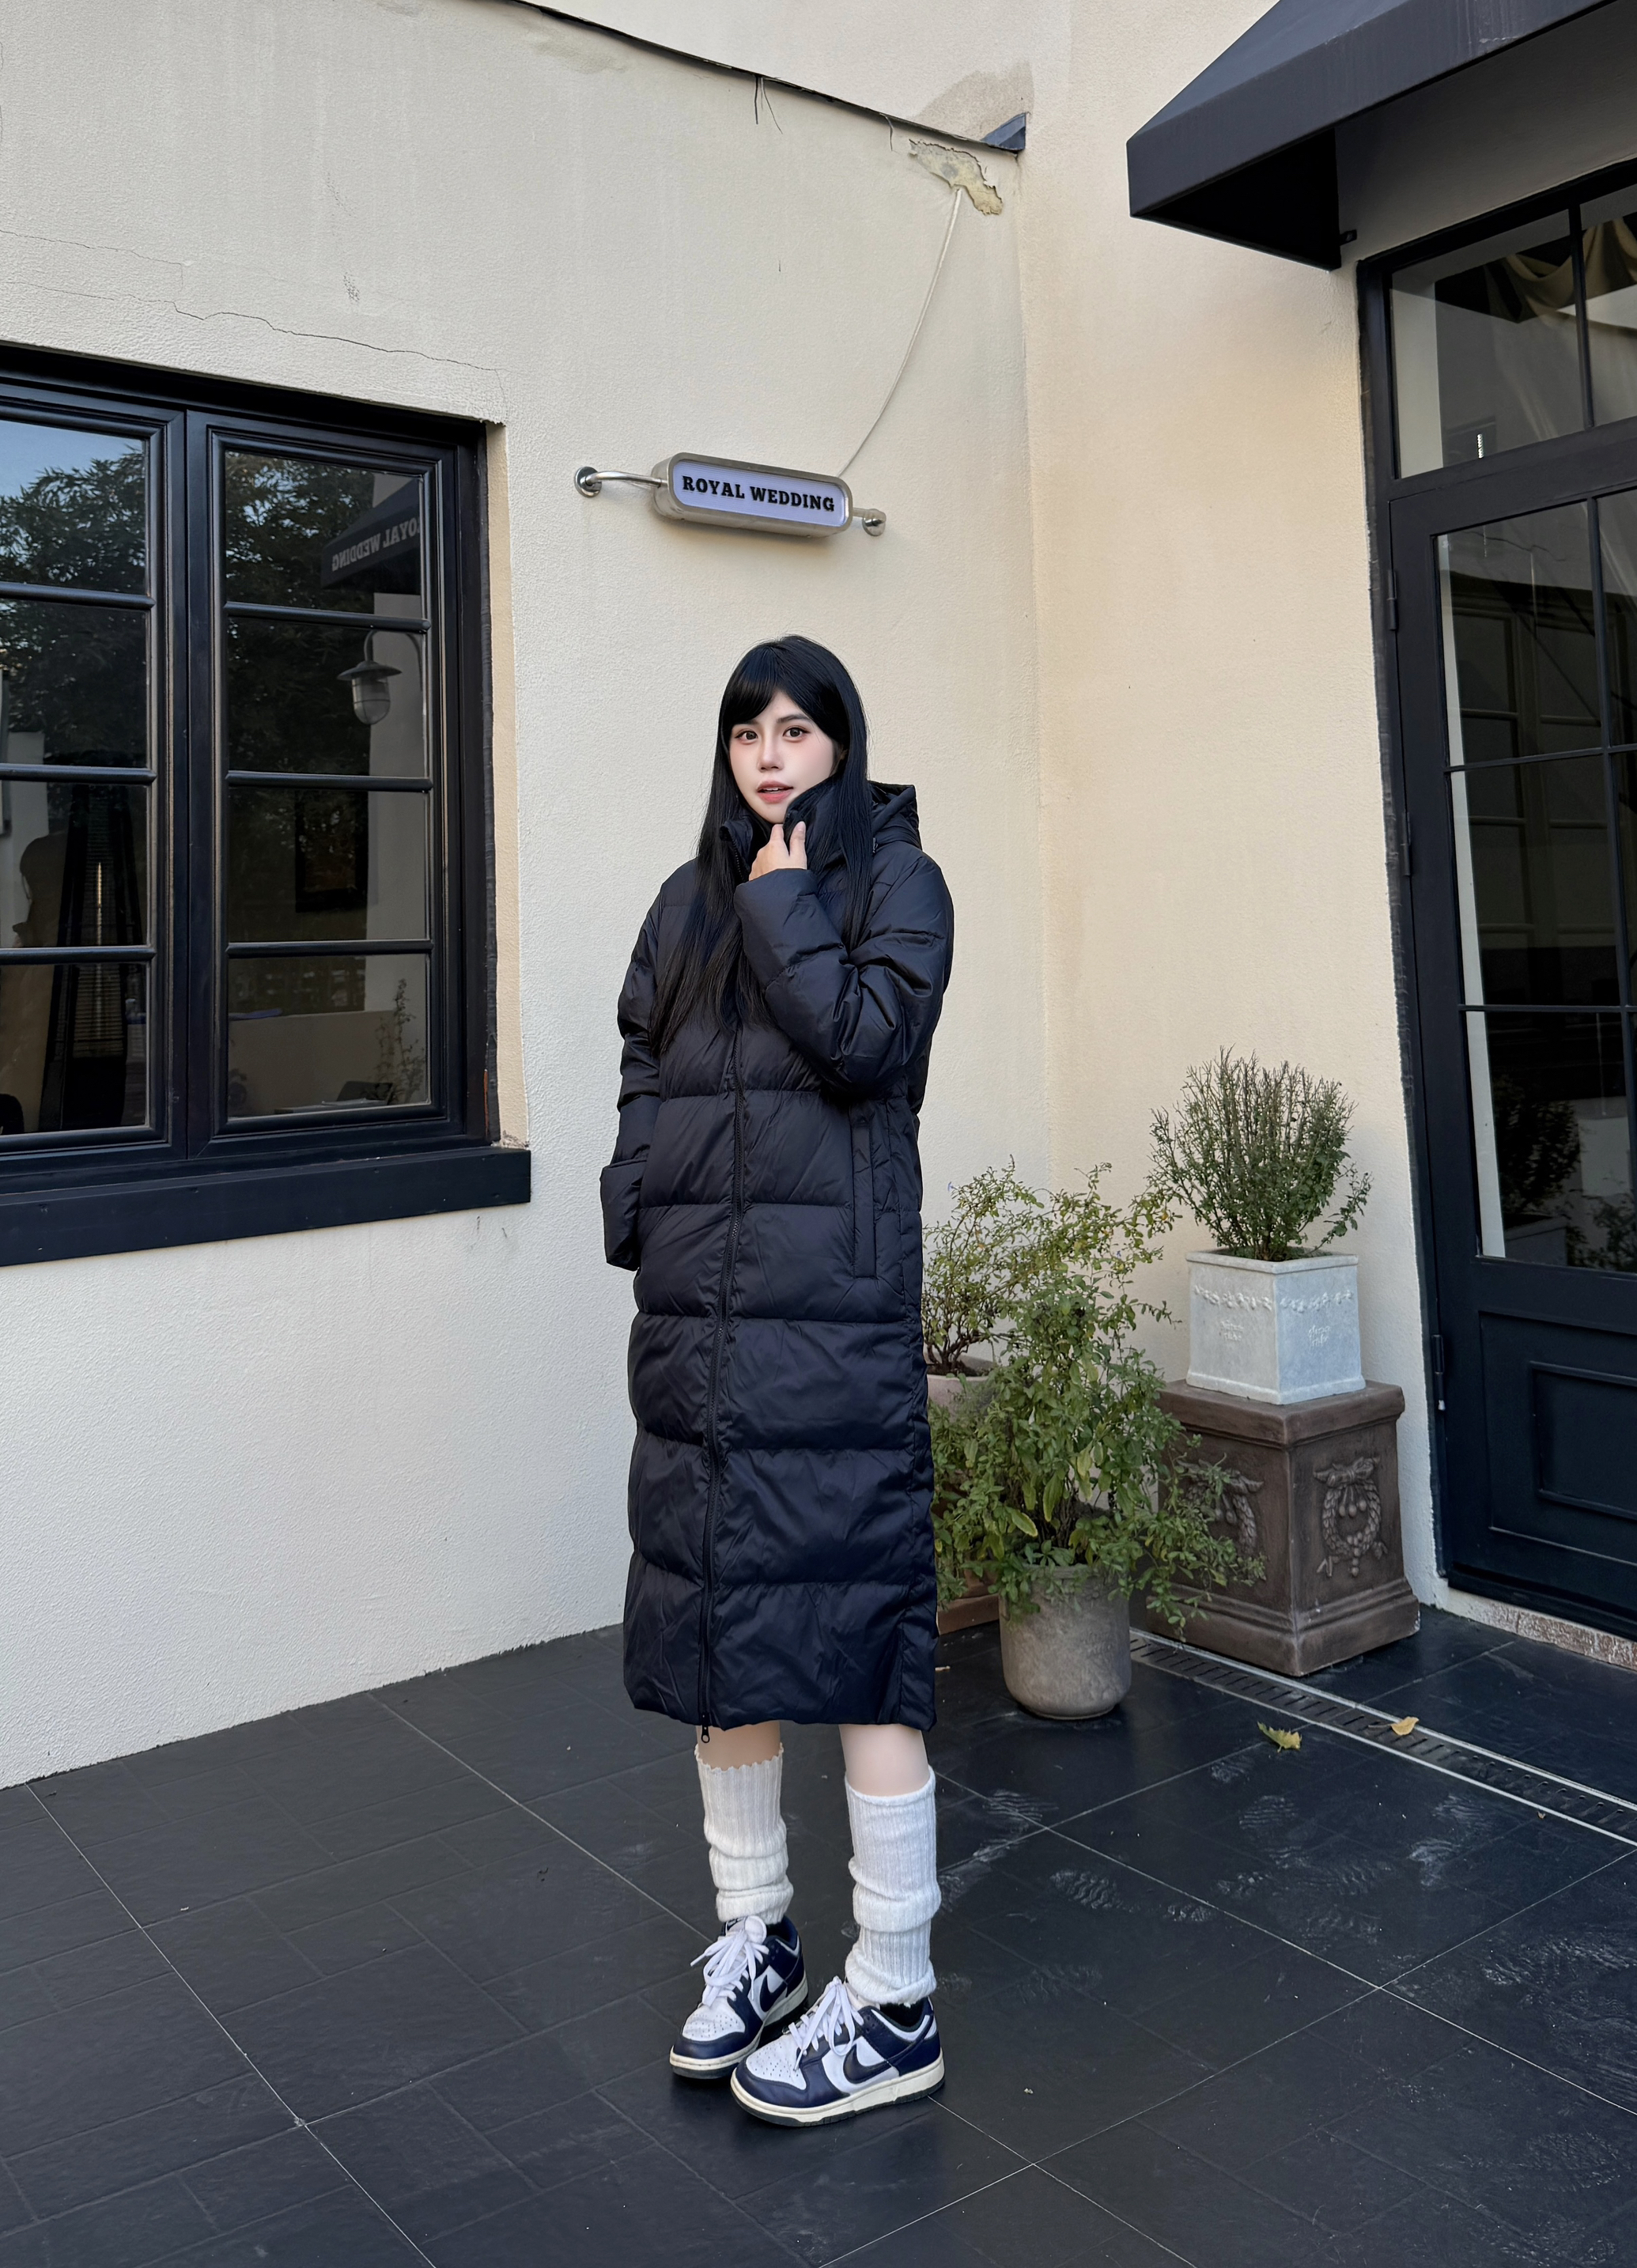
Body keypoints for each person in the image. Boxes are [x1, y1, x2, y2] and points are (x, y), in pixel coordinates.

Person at [602, 635, 955, 2127]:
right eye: (748, 730)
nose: (768, 754)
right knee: (718, 1633)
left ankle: (896, 1994)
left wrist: (782, 901)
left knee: (861, 1632)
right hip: (701, 1317)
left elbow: (866, 1045)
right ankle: (759, 1937)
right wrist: (636, 1204)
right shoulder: (682, 900)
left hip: (833, 1318)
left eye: (798, 730)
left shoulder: (895, 884)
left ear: (842, 746)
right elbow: (643, 1058)